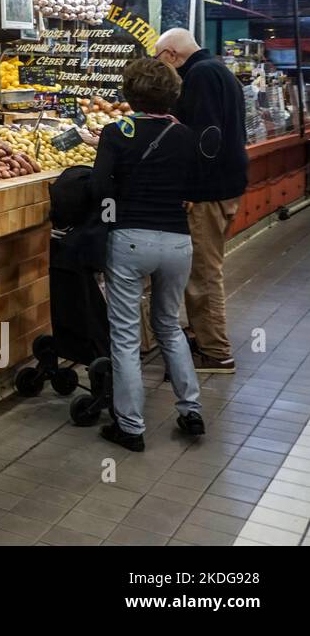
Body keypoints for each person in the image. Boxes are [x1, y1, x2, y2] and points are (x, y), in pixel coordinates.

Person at [91, 58, 205, 451]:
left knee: (124, 337)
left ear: (130, 91)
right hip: (177, 242)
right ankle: (191, 409)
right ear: (172, 93)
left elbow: (98, 187)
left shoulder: (116, 131)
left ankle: (131, 427)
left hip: (130, 239)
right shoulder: (187, 136)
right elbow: (193, 189)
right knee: (170, 325)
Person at [154, 27, 248, 373]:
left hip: (210, 191)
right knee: (203, 269)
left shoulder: (201, 75)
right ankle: (199, 335)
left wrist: (193, 189)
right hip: (226, 184)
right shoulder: (216, 68)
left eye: (159, 60)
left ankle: (216, 352)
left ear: (171, 56)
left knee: (204, 274)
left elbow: (206, 137)